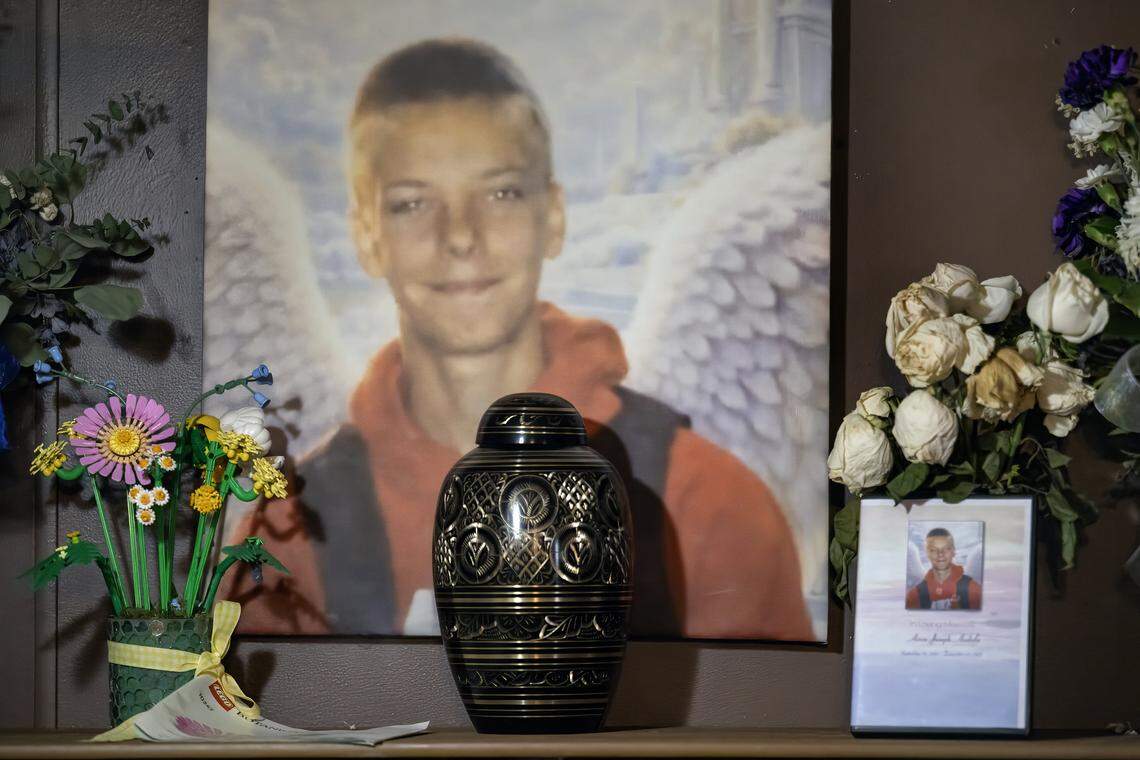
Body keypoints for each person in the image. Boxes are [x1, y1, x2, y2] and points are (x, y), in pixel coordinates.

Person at [221, 38, 813, 640]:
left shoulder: (708, 502)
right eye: (412, 203)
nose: (460, 238)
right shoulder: (290, 529)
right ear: (367, 237)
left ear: (552, 217)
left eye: (501, 193)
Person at [905, 528, 982, 611]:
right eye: (933, 550)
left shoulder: (973, 589)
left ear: (953, 551)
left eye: (946, 549)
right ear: (927, 553)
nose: (940, 554)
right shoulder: (915, 594)